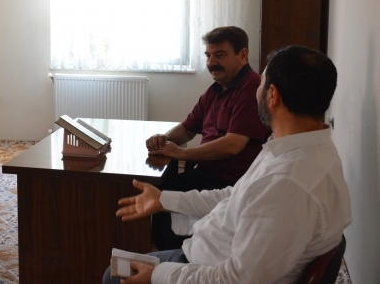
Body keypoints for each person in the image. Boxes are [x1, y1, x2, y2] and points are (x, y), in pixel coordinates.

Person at [102, 45, 351, 284]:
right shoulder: (300, 149)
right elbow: (236, 195)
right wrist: (163, 200)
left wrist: (157, 276)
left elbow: (237, 279)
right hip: (204, 254)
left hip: (206, 268)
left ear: (272, 95)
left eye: (261, 83)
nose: (256, 89)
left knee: (112, 276)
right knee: (118, 268)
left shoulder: (287, 183)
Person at [146, 26, 271, 250]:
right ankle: (164, 250)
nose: (212, 63)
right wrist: (163, 139)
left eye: (220, 55)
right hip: (207, 174)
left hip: (229, 183)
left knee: (164, 195)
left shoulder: (250, 87)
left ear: (243, 55)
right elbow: (187, 129)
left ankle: (176, 255)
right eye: (208, 55)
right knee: (162, 187)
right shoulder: (215, 90)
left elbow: (233, 145)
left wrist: (181, 153)